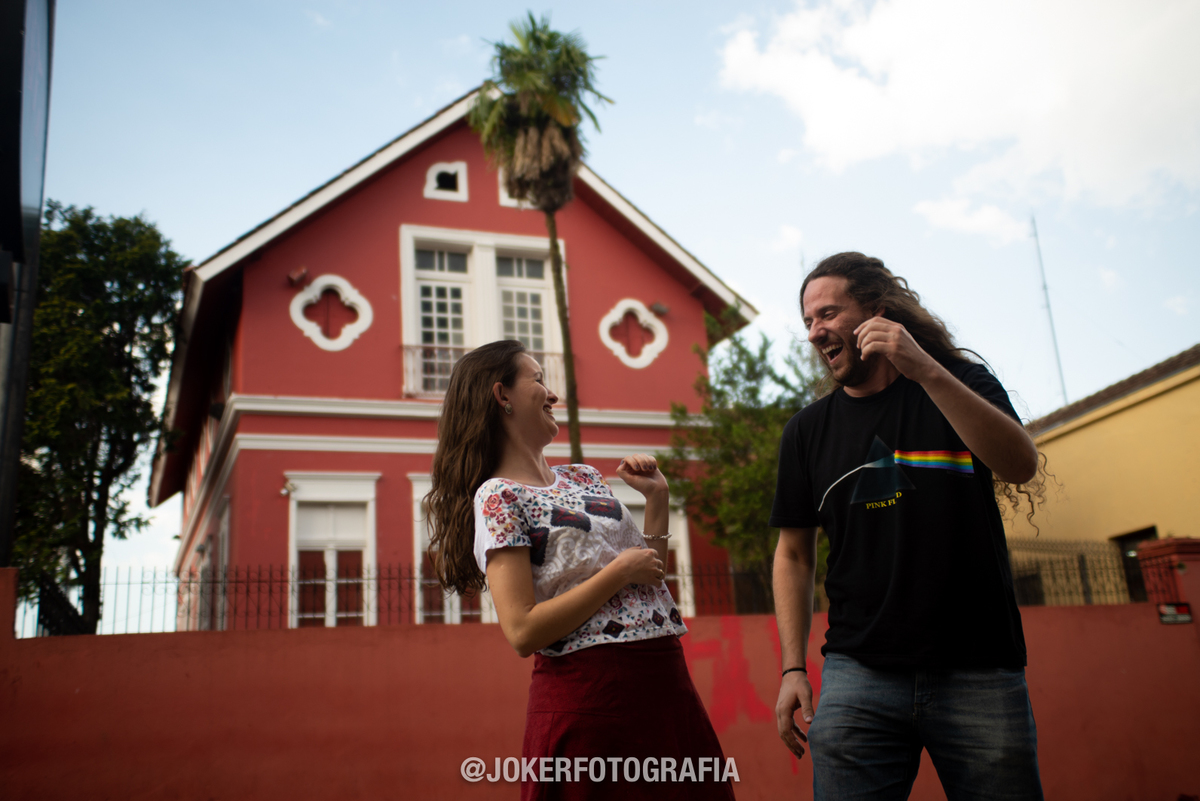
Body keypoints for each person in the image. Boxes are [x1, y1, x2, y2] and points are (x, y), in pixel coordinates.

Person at [770, 253, 1044, 800]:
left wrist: (926, 370)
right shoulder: (806, 431)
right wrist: (792, 668)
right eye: (808, 321)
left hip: (979, 668)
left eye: (828, 313)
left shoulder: (960, 381)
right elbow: (794, 554)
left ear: (876, 310)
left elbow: (1020, 465)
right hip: (858, 675)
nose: (815, 331)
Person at [425, 340, 736, 801]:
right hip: (591, 697)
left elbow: (649, 575)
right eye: (538, 380)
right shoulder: (499, 496)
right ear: (502, 395)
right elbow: (522, 631)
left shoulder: (584, 477)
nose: (552, 394)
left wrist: (657, 498)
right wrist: (618, 572)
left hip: (666, 683)